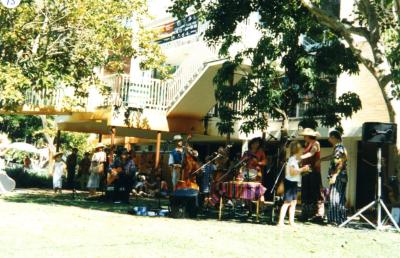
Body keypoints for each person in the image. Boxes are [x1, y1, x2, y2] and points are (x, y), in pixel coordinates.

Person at [278, 141, 310, 226]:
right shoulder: (292, 160)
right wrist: (302, 169)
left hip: (294, 183)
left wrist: (302, 170)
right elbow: (292, 173)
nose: (303, 150)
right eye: (301, 149)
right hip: (290, 183)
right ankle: (280, 222)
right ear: (297, 150)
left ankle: (291, 221)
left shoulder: (294, 160)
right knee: (287, 202)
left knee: (294, 202)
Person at [299, 128, 324, 222]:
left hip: (314, 171)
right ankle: (306, 213)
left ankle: (319, 214)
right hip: (306, 171)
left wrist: (300, 157)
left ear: (309, 136)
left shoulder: (316, 143)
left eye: (305, 136)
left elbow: (311, 153)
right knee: (305, 192)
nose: (304, 137)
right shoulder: (307, 144)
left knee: (316, 192)